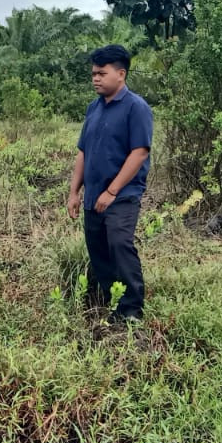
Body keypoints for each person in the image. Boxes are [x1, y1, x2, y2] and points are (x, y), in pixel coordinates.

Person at [67, 45, 153, 323]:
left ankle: (132, 309)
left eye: (102, 73)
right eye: (93, 73)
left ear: (121, 74)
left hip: (122, 195)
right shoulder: (93, 108)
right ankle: (110, 300)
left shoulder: (136, 108)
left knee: (119, 244)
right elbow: (83, 151)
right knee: (97, 248)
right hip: (93, 195)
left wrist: (112, 191)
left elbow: (139, 152)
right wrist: (73, 192)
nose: (96, 78)